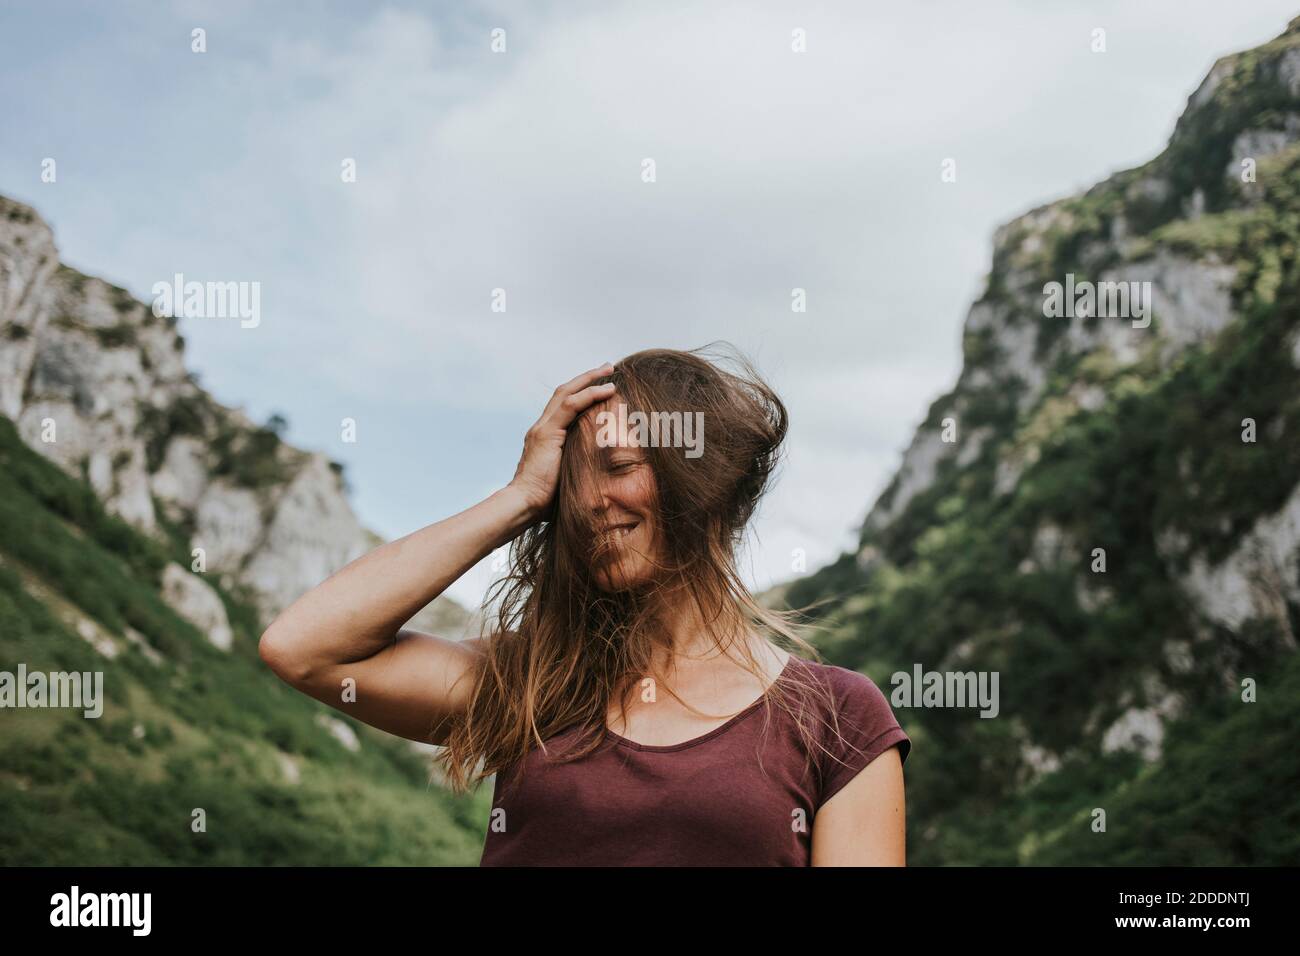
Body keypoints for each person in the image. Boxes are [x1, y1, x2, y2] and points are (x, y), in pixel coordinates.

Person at [259, 345, 911, 865]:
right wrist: (518, 498)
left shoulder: (838, 718)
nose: (589, 501)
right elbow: (303, 651)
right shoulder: (534, 679)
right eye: (569, 486)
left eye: (619, 465)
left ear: (703, 477)